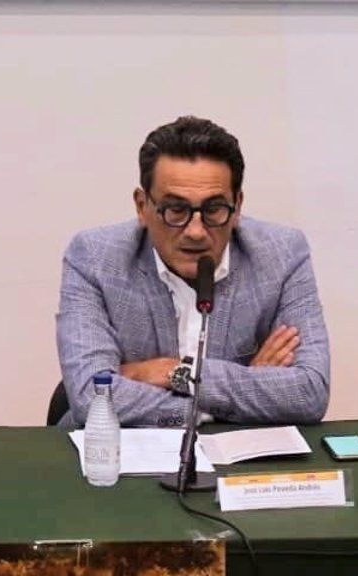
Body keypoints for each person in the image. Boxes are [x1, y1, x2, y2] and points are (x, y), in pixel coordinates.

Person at [55, 116, 330, 429]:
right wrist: (241, 393)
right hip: (114, 458)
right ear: (142, 206)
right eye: (176, 210)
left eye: (213, 210)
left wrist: (176, 373)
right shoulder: (95, 258)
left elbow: (309, 392)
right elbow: (91, 398)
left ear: (237, 206)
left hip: (237, 462)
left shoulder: (282, 254)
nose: (196, 232)